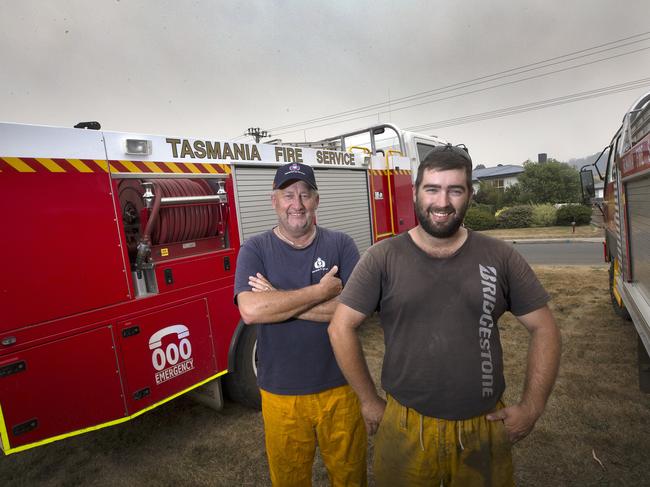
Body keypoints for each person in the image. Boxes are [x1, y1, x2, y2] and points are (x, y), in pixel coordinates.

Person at [328, 144, 561, 487]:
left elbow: (546, 330)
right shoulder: (383, 257)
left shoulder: (500, 257)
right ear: (416, 192)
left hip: (483, 427)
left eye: (455, 190)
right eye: (432, 189)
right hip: (404, 427)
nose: (442, 202)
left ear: (469, 195)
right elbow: (340, 327)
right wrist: (368, 400)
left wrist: (532, 407)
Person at [234, 162, 367, 487]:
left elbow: (355, 311)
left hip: (340, 387)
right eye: (289, 195)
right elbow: (251, 311)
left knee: (350, 476)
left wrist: (278, 301)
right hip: (281, 394)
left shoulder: (341, 244)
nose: (298, 204)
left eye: (305, 195)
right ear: (274, 200)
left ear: (317, 200)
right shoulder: (255, 249)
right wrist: (321, 292)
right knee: (289, 480)